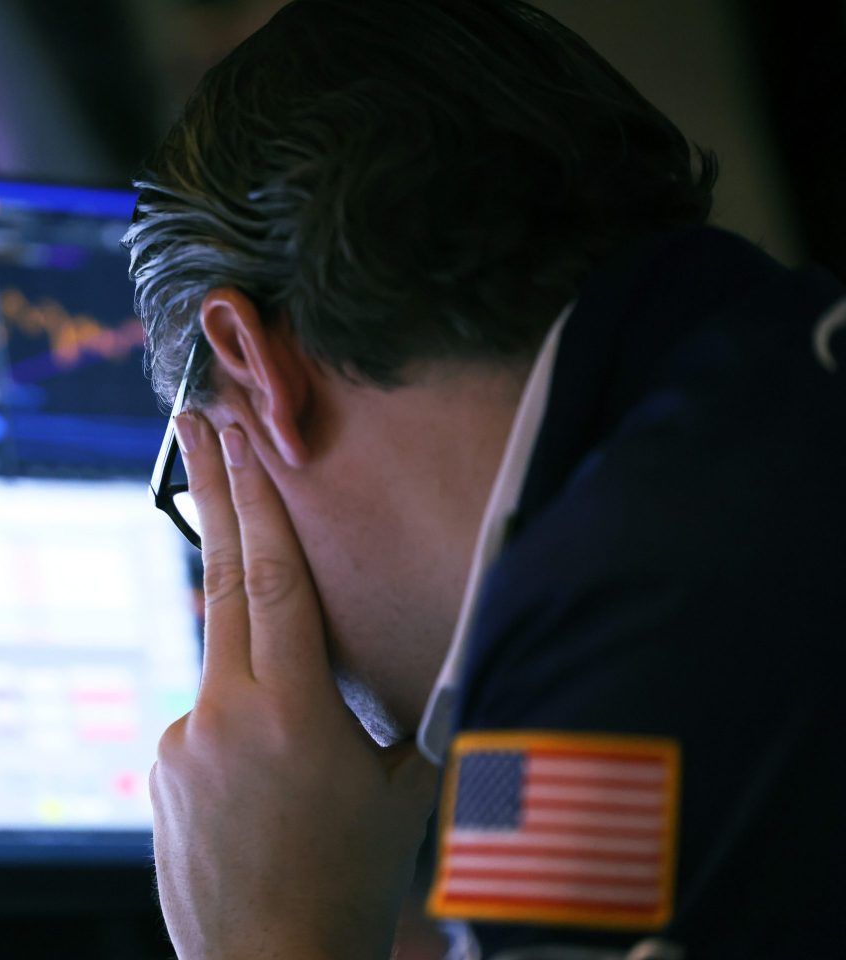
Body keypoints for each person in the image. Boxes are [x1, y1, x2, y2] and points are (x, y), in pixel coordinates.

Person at [123, 1, 846, 957]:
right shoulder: (769, 380)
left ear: (254, 368)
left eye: (200, 476)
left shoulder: (600, 648)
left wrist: (274, 935)